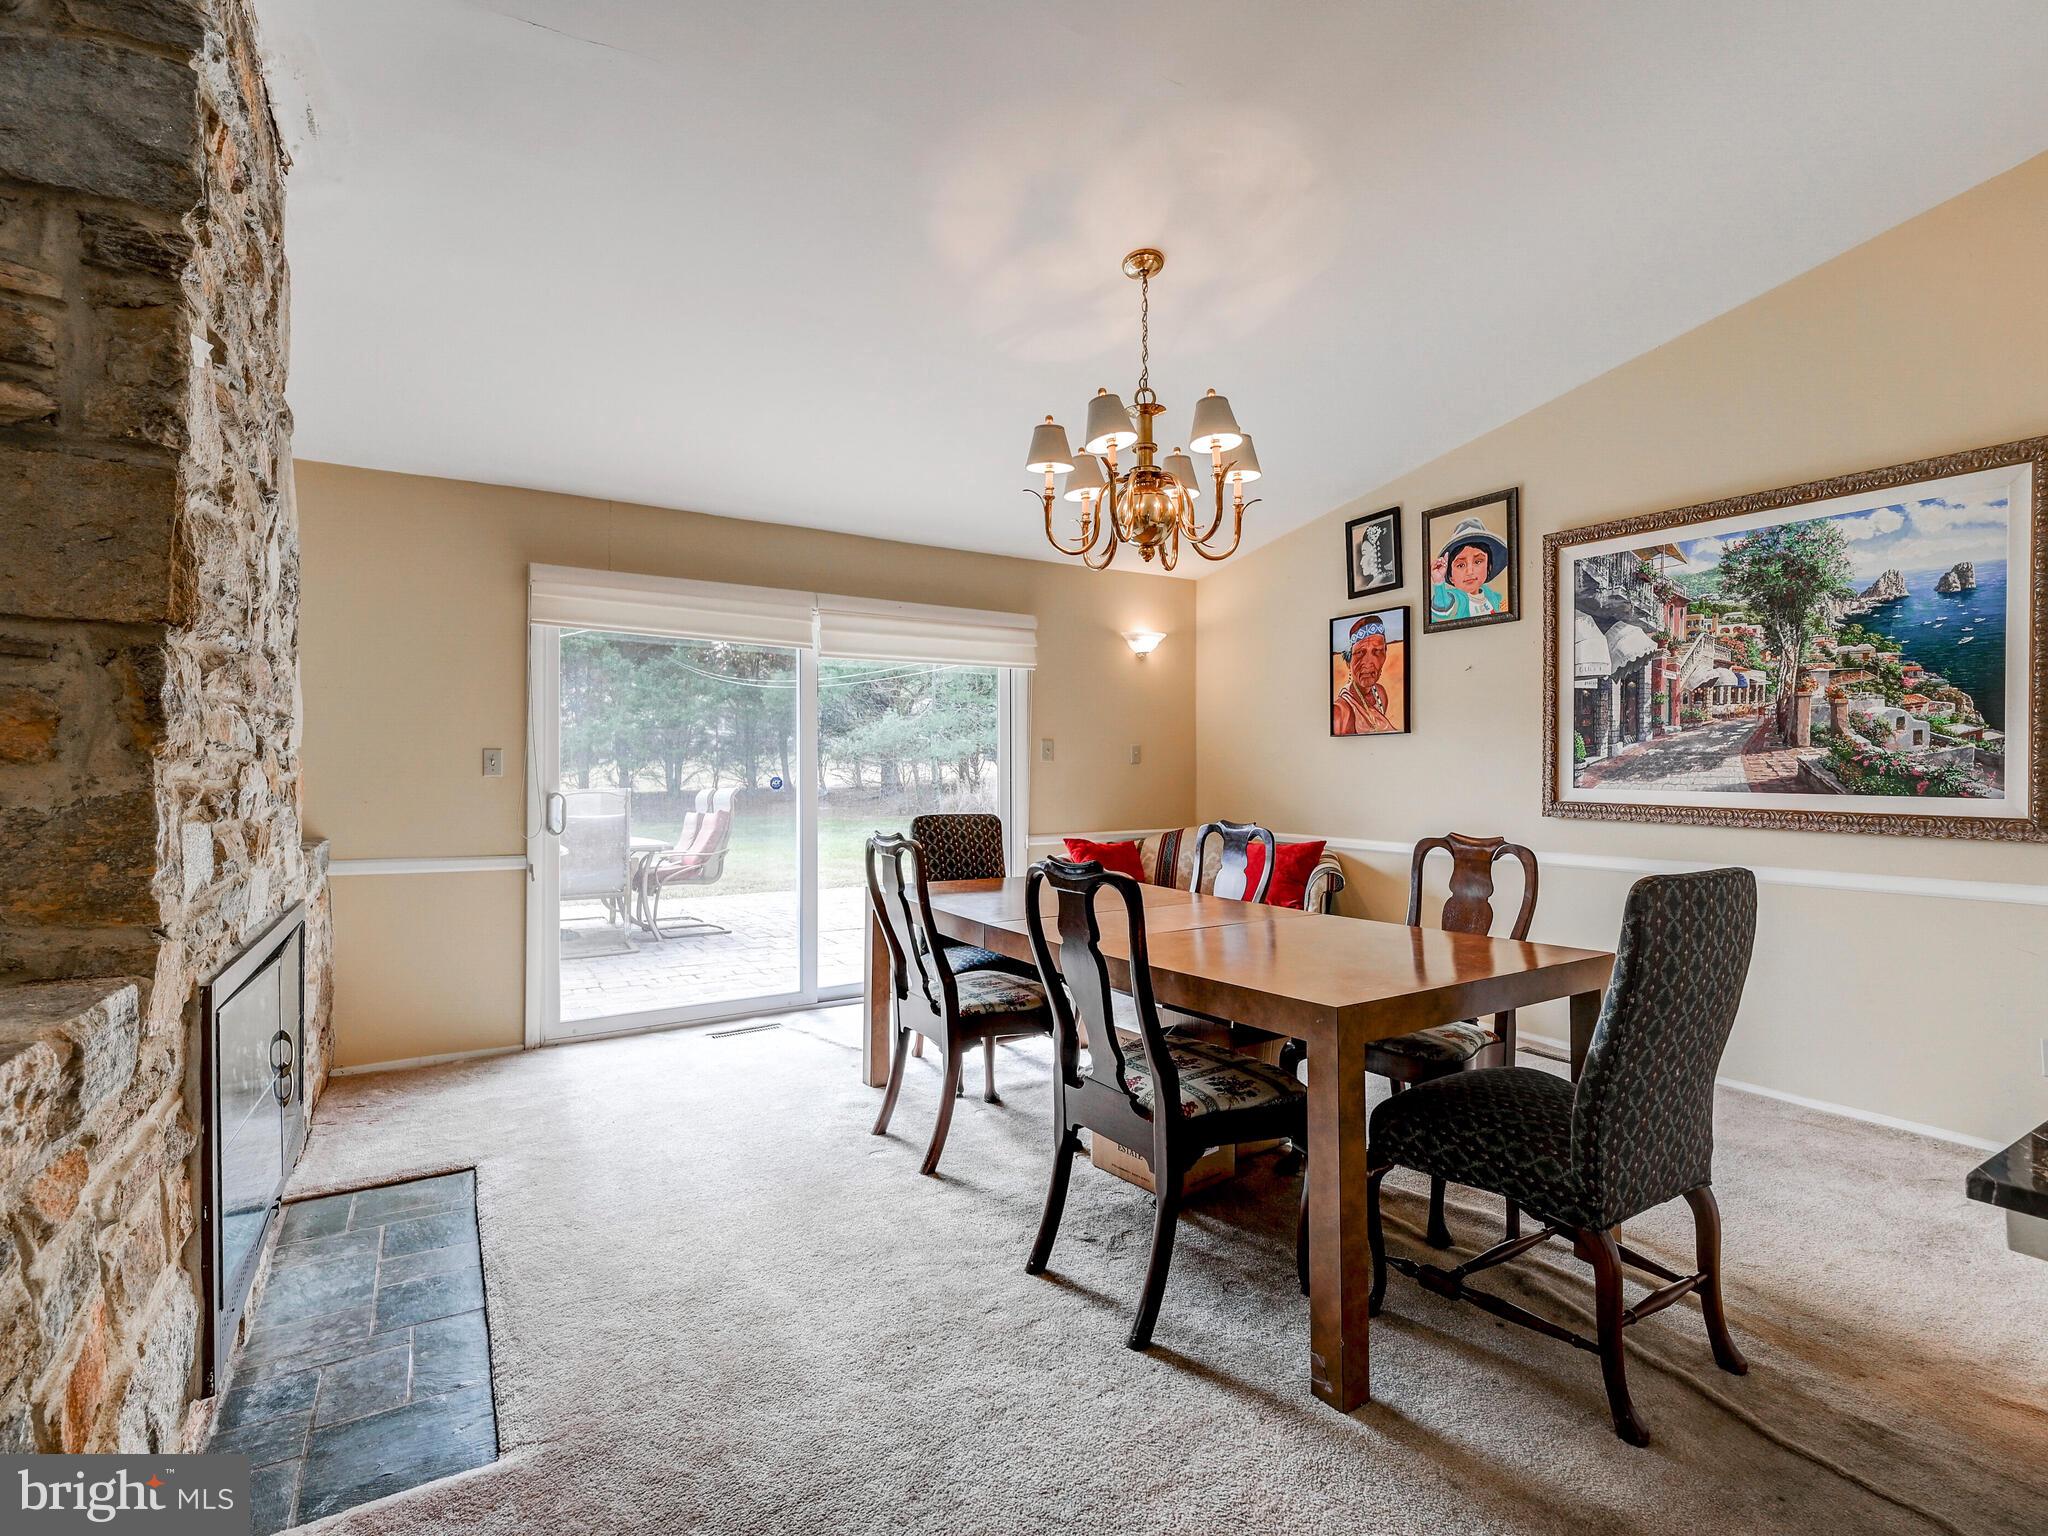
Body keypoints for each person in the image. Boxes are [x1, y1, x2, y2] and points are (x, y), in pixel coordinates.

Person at [1430, 516, 1510, 621]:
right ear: (1450, 576)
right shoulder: (1457, 598)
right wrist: (1439, 583)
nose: (1470, 571)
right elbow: (1443, 609)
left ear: (1488, 567)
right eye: (1460, 565)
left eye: (1477, 562)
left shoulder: (1493, 597)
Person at [1332, 614, 1396, 735]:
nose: (1368, 662)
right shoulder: (1340, 713)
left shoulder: (1380, 694)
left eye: (1377, 651)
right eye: (1360, 652)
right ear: (1348, 661)